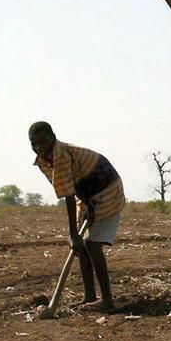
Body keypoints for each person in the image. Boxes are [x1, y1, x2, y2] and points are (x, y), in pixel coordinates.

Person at [28, 121, 125, 313]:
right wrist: (86, 206)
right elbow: (72, 187)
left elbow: (68, 196)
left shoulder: (60, 155)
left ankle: (107, 300)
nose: (39, 147)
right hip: (89, 194)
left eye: (43, 142)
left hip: (107, 189)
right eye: (34, 144)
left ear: (53, 137)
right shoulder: (44, 160)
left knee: (92, 244)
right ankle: (90, 296)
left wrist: (73, 233)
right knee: (81, 248)